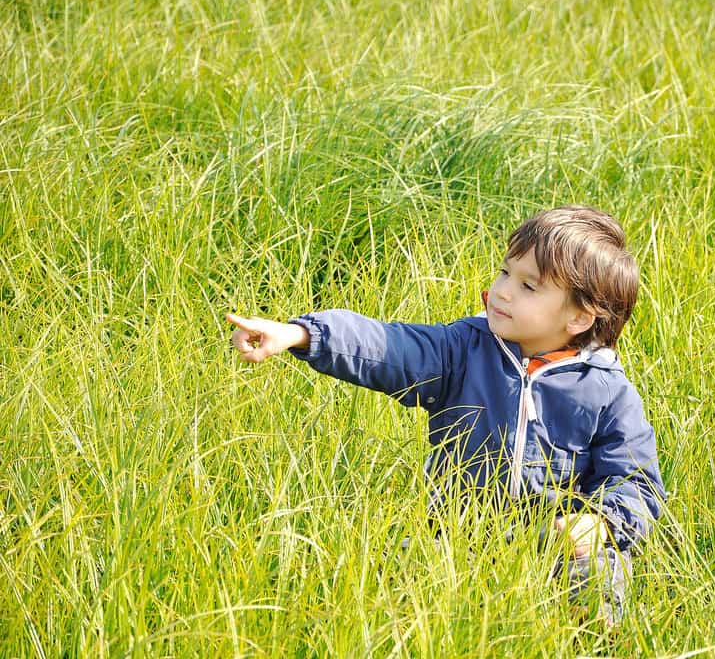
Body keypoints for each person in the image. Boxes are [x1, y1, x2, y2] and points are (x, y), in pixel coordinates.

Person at [227, 205, 666, 625]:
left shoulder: (608, 391)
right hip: (457, 536)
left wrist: (602, 524)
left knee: (597, 575)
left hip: (556, 541)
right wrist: (300, 334)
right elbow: (388, 346)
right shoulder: (463, 349)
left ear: (578, 318)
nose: (503, 290)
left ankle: (592, 638)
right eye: (505, 272)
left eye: (528, 287)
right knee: (394, 569)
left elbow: (638, 481)